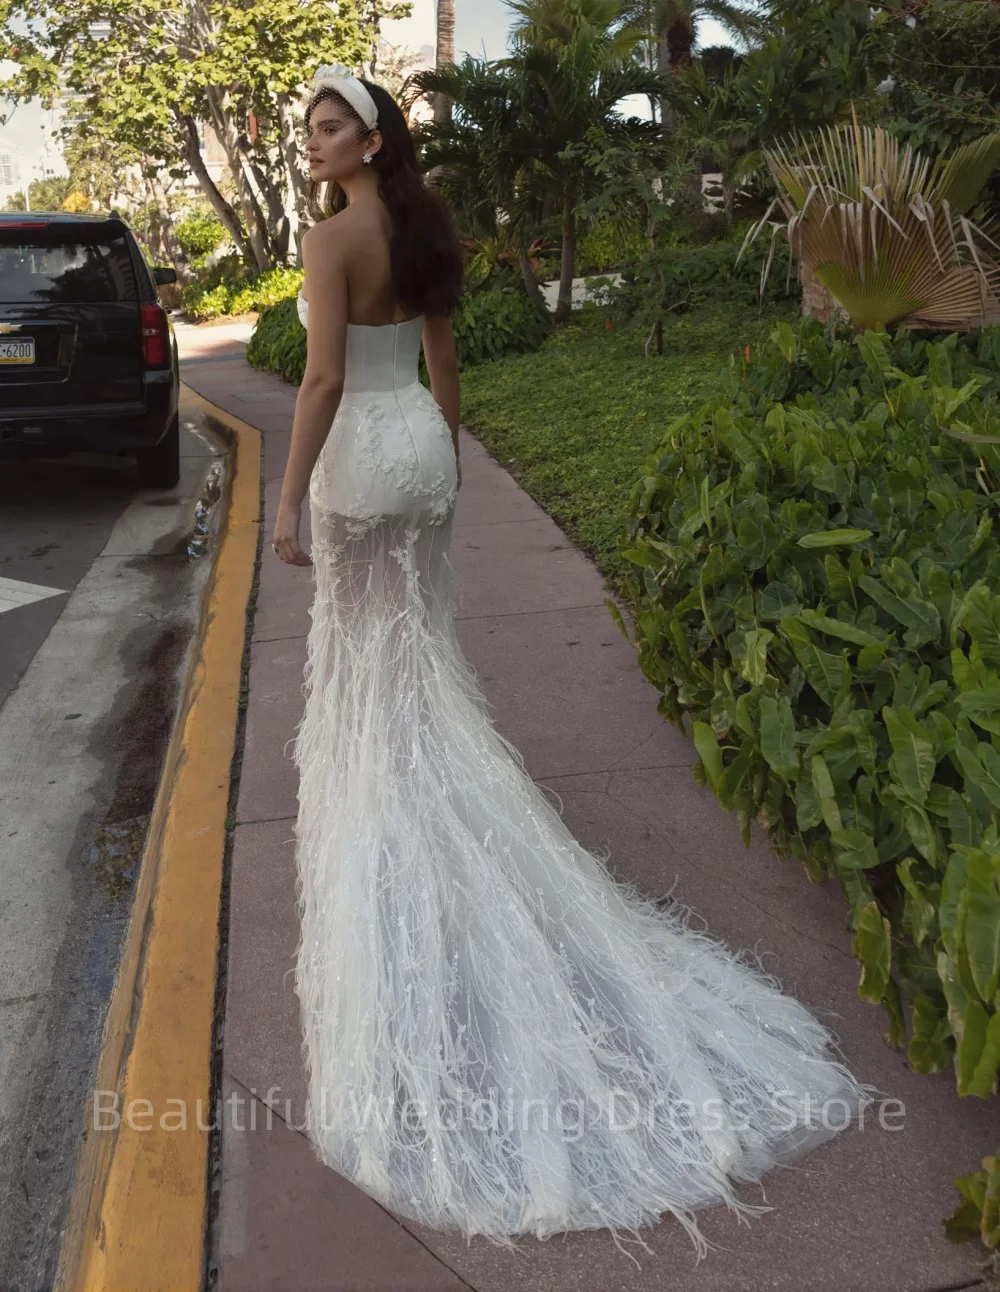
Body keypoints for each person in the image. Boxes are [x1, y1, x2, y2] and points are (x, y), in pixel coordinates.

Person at [271, 64, 880, 1265]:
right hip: (422, 460)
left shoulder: (328, 235)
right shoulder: (423, 228)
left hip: (353, 461)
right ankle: (438, 817)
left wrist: (285, 496)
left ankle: (397, 847)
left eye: (330, 123)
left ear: (371, 136)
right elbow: (445, 367)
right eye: (308, 127)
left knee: (367, 677)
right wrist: (444, 460)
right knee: (419, 662)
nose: (313, 140)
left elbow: (325, 376)